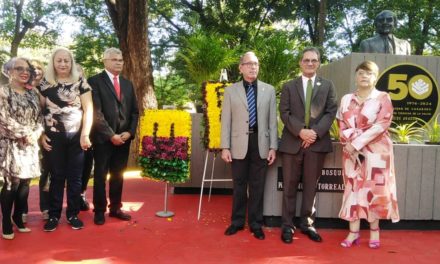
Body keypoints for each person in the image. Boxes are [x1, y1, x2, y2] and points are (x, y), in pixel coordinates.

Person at [337, 60, 399, 248]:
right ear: (355, 76)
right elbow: (341, 123)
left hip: (377, 153)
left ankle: (374, 232)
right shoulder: (346, 99)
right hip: (351, 153)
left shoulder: (383, 98)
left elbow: (382, 125)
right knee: (353, 190)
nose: (364, 76)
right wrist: (348, 142)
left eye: (369, 73)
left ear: (376, 77)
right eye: (361, 73)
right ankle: (353, 233)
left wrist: (356, 143)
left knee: (375, 191)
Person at [279, 47, 337, 244]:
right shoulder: (289, 86)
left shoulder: (328, 85)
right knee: (289, 186)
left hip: (316, 144)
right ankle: (287, 225)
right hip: (292, 143)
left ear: (318, 63)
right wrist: (300, 131)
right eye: (306, 60)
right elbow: (284, 112)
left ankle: (307, 223)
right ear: (300, 63)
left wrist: (314, 133)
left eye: (314, 60)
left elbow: (331, 112)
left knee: (311, 187)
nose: (310, 63)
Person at [220, 51, 278, 240]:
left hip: (260, 143)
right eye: (249, 64)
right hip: (237, 144)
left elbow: (272, 121)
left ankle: (255, 223)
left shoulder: (269, 90)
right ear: (241, 67)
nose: (253, 67)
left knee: (257, 186)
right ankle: (237, 222)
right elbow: (226, 121)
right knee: (238, 185)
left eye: (256, 64)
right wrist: (225, 147)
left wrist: (273, 147)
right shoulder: (230, 90)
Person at [38, 47, 93, 231]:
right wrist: (41, 134)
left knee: (75, 178)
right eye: (59, 60)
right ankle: (54, 216)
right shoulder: (45, 84)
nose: (63, 64)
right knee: (57, 177)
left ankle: (72, 214)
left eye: (66, 60)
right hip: (54, 137)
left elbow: (89, 109)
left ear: (71, 63)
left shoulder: (81, 82)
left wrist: (85, 133)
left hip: (77, 137)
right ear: (53, 63)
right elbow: (38, 112)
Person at [88, 47, 139, 225]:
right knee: (101, 175)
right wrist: (111, 135)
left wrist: (130, 132)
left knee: (118, 175)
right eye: (115, 59)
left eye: (121, 60)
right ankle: (99, 210)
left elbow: (134, 112)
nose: (119, 62)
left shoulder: (127, 84)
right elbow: (96, 113)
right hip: (103, 139)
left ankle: (115, 208)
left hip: (124, 139)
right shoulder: (94, 81)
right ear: (105, 61)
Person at [0, 57, 43, 240]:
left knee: (26, 182)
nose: (25, 72)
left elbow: (40, 117)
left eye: (27, 69)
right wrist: (27, 133)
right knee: (12, 183)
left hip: (30, 144)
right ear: (9, 71)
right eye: (19, 69)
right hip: (12, 144)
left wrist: (37, 132)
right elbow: (3, 119)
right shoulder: (3, 92)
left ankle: (18, 217)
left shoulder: (32, 93)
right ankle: (6, 222)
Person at [76, 64, 93, 211]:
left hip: (88, 136)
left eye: (79, 72)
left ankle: (81, 195)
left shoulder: (89, 89)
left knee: (86, 167)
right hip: (68, 135)